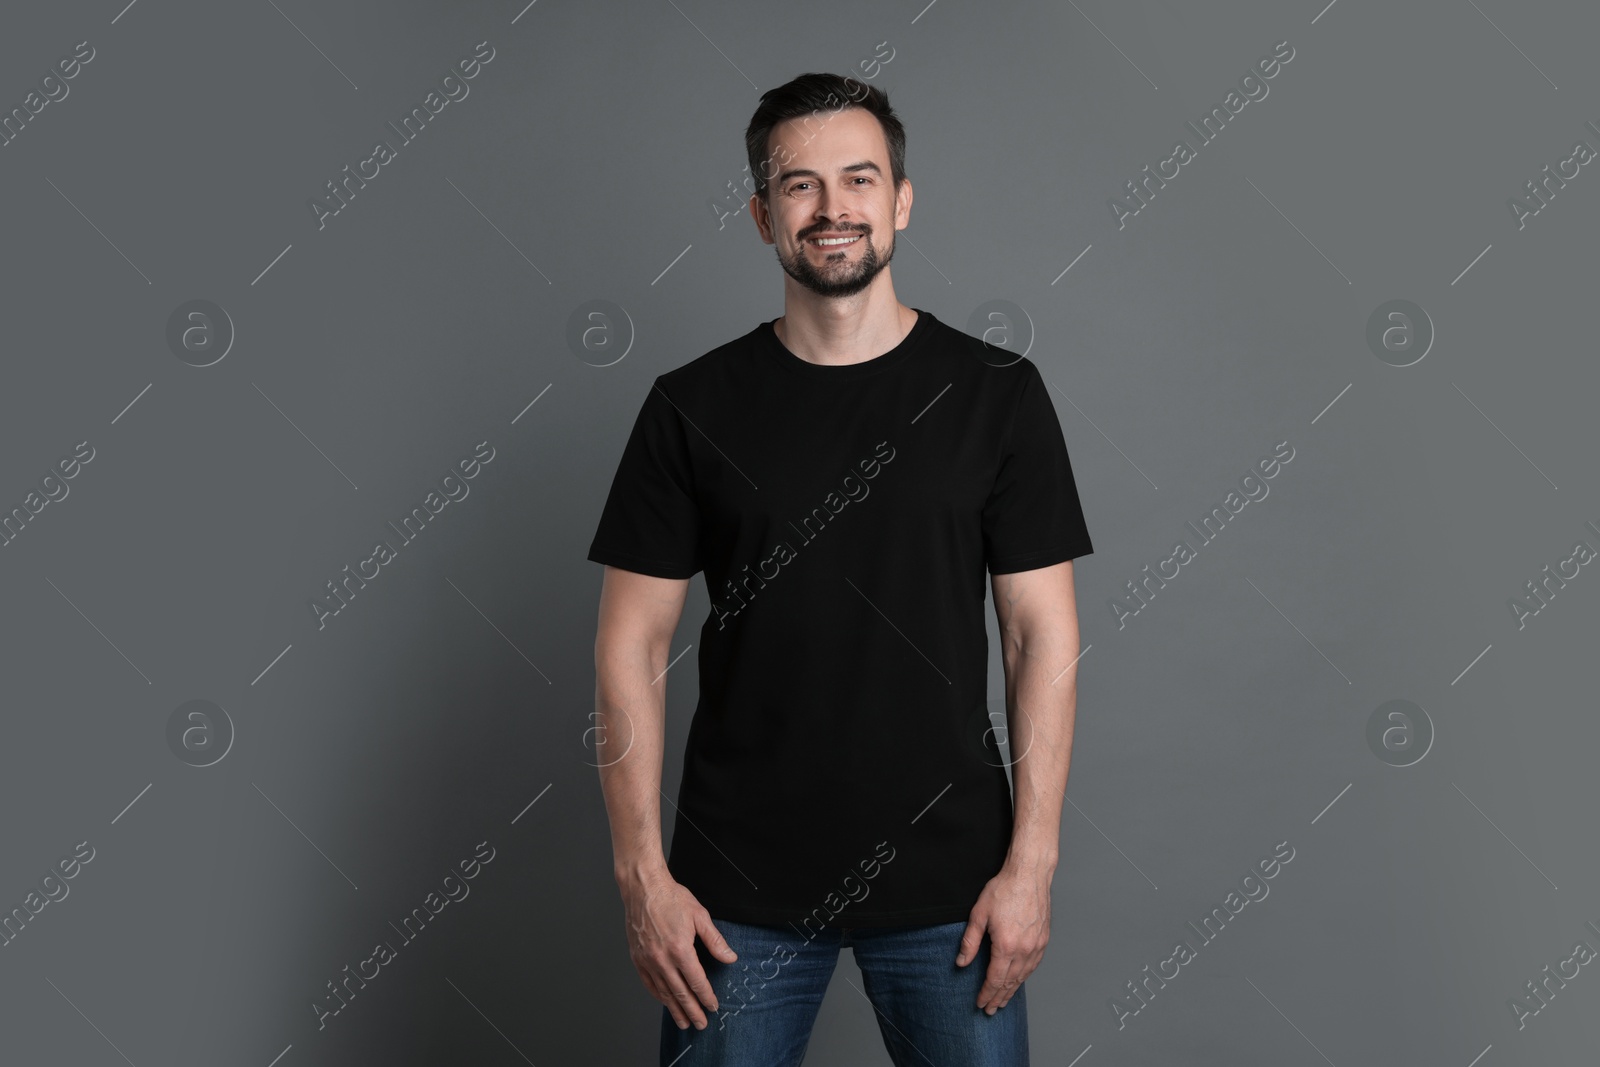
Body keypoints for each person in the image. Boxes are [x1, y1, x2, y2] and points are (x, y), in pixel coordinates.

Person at [587, 71, 1093, 1067]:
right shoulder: (691, 406)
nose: (833, 209)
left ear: (900, 199)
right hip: (735, 894)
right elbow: (626, 644)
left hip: (954, 886)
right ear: (761, 212)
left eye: (858, 180)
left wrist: (1032, 861)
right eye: (800, 184)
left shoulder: (997, 396)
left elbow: (1043, 633)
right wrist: (642, 878)